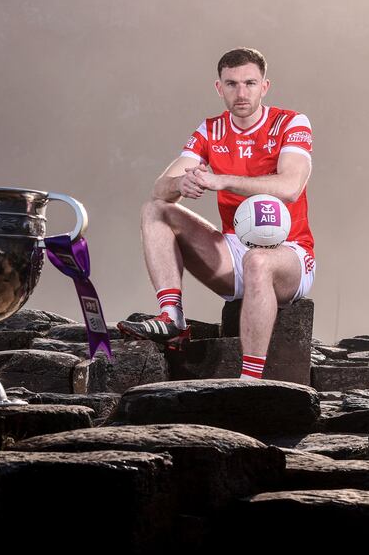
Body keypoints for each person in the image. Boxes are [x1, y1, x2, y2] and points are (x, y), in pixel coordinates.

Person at [117, 47, 315, 380]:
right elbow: (160, 189)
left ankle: (249, 380)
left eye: (250, 83)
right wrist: (185, 181)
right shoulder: (211, 130)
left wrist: (221, 180)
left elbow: (291, 185)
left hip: (289, 254)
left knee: (259, 262)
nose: (241, 92)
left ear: (264, 86)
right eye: (232, 84)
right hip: (232, 250)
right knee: (156, 210)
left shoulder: (291, 122)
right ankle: (172, 318)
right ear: (219, 87)